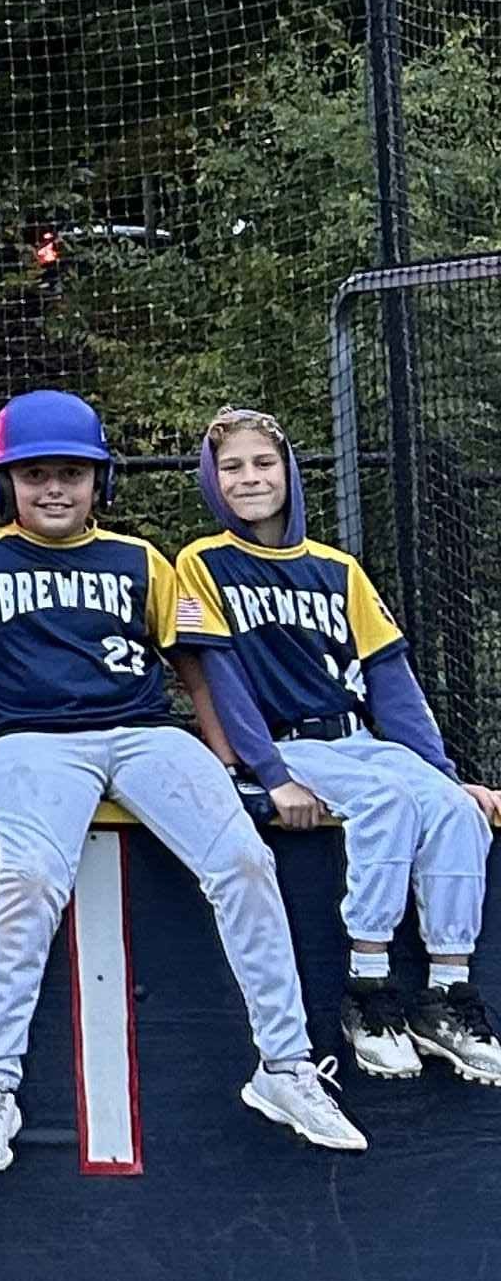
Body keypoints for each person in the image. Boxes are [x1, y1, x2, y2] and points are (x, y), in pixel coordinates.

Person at [0, 389, 364, 1173]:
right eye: (34, 474)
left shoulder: (139, 559)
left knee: (245, 862)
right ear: (2, 484)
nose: (54, 489)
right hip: (32, 741)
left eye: (73, 474)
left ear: (101, 482)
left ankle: (286, 1068)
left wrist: (229, 763)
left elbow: (193, 669)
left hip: (144, 732)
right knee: (29, 882)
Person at [172, 404, 501, 1088]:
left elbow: (390, 681)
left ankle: (447, 992)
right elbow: (220, 677)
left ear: (289, 472)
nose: (250, 477)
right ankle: (369, 989)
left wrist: (444, 773)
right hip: (290, 744)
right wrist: (265, 773)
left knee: (454, 810)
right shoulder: (203, 562)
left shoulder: (339, 568)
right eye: (232, 467)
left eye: (264, 463)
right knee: (385, 802)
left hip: (358, 739)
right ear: (211, 480)